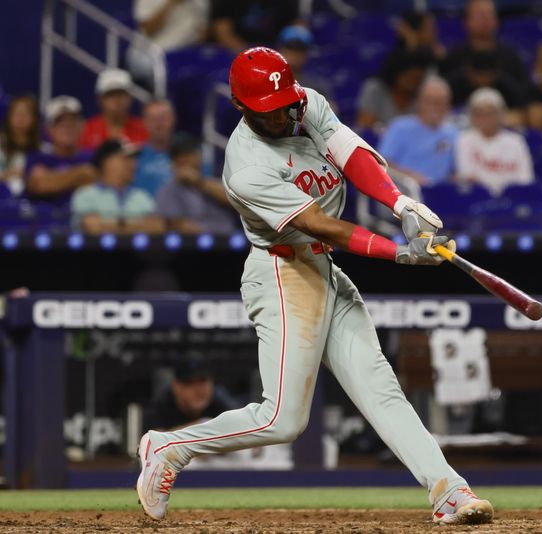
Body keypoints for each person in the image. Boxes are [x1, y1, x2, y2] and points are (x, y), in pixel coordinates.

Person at [136, 46, 493, 526]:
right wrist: (399, 252)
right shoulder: (246, 168)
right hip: (283, 274)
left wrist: (400, 204)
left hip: (322, 271)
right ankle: (169, 447)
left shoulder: (305, 103)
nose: (284, 114)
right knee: (282, 419)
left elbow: (351, 153)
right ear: (242, 109)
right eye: (270, 110)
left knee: (380, 388)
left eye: (286, 102)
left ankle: (448, 489)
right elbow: (321, 225)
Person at [71, 140, 166, 234]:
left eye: (134, 159)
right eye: (126, 159)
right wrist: (139, 226)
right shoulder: (85, 195)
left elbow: (157, 227)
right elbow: (94, 228)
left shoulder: (142, 196)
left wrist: (112, 225)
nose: (134, 165)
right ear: (107, 162)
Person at [24, 96, 97, 216]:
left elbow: (97, 183)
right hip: (43, 224)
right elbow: (39, 185)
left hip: (82, 224)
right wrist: (82, 174)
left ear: (82, 126)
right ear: (49, 129)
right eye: (60, 123)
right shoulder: (36, 157)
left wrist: (52, 177)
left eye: (73, 122)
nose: (68, 127)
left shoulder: (92, 157)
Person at [378, 77, 458, 185]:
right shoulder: (400, 127)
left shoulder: (453, 134)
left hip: (440, 195)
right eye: (429, 101)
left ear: (448, 106)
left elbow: (455, 171)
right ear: (419, 102)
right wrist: (408, 177)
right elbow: (382, 163)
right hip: (403, 191)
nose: (434, 107)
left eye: (440, 102)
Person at [455, 88, 534, 196]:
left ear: (501, 114)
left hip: (513, 199)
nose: (485, 118)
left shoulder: (516, 141)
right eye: (479, 113)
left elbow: (525, 179)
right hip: (478, 198)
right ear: (472, 116)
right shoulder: (464, 140)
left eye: (490, 113)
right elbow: (468, 178)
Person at [156, 134, 237, 234]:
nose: (185, 160)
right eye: (179, 157)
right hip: (192, 245)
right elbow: (178, 226)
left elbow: (236, 201)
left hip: (231, 243)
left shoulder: (212, 184)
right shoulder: (167, 192)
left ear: (199, 157)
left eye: (190, 155)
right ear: (173, 163)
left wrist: (199, 182)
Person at [439, 0, 526, 90]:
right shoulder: (453, 57)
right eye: (480, 15)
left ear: (497, 20)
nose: (485, 19)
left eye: (489, 15)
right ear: (466, 21)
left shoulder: (511, 57)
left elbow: (523, 92)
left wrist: (499, 78)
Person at [144, 357, 240, 432]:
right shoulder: (162, 405)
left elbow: (246, 430)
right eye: (190, 383)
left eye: (202, 382)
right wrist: (200, 429)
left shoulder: (220, 400)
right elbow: (153, 444)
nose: (198, 390)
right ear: (176, 387)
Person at [356, 49, 433, 130]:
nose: (413, 82)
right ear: (395, 73)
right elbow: (365, 125)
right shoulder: (375, 89)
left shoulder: (422, 94)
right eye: (409, 77)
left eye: (418, 79)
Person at [446, 50, 527, 123]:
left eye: (487, 75)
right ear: (469, 72)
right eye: (479, 75)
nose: (483, 80)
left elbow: (518, 116)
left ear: (496, 73)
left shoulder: (509, 88)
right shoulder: (456, 85)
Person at [80, 69, 149, 150]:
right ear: (100, 100)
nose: (117, 100)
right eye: (111, 95)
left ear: (130, 98)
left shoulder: (144, 129)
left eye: (121, 94)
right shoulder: (87, 131)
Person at [210, 0, 300, 53]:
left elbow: (297, 26)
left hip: (276, 51)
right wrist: (248, 54)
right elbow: (222, 30)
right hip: (236, 52)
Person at [276, 25, 334, 103]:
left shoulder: (317, 86)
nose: (295, 55)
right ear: (281, 50)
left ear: (306, 54)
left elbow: (330, 111)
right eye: (291, 49)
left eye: (300, 50)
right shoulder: (270, 83)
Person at [133, 99, 177, 197]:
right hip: (144, 211)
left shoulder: (188, 154)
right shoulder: (134, 157)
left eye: (162, 118)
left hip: (182, 211)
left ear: (173, 118)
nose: (158, 124)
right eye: (152, 119)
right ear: (144, 122)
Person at [1, 94, 40, 196]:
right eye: (17, 114)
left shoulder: (44, 148)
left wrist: (24, 174)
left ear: (35, 119)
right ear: (8, 117)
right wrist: (5, 175)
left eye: (26, 114)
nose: (21, 119)